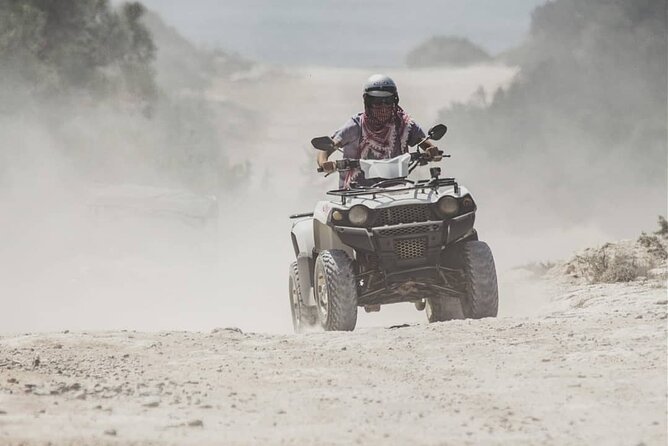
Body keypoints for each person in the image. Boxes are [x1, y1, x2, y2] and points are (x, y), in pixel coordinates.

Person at [317, 74, 440, 189]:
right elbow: (326, 149)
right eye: (376, 102)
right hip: (356, 194)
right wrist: (325, 163)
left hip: (397, 190)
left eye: (388, 101)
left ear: (395, 101)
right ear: (368, 102)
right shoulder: (355, 126)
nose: (383, 106)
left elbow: (424, 142)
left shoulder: (405, 124)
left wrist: (432, 150)